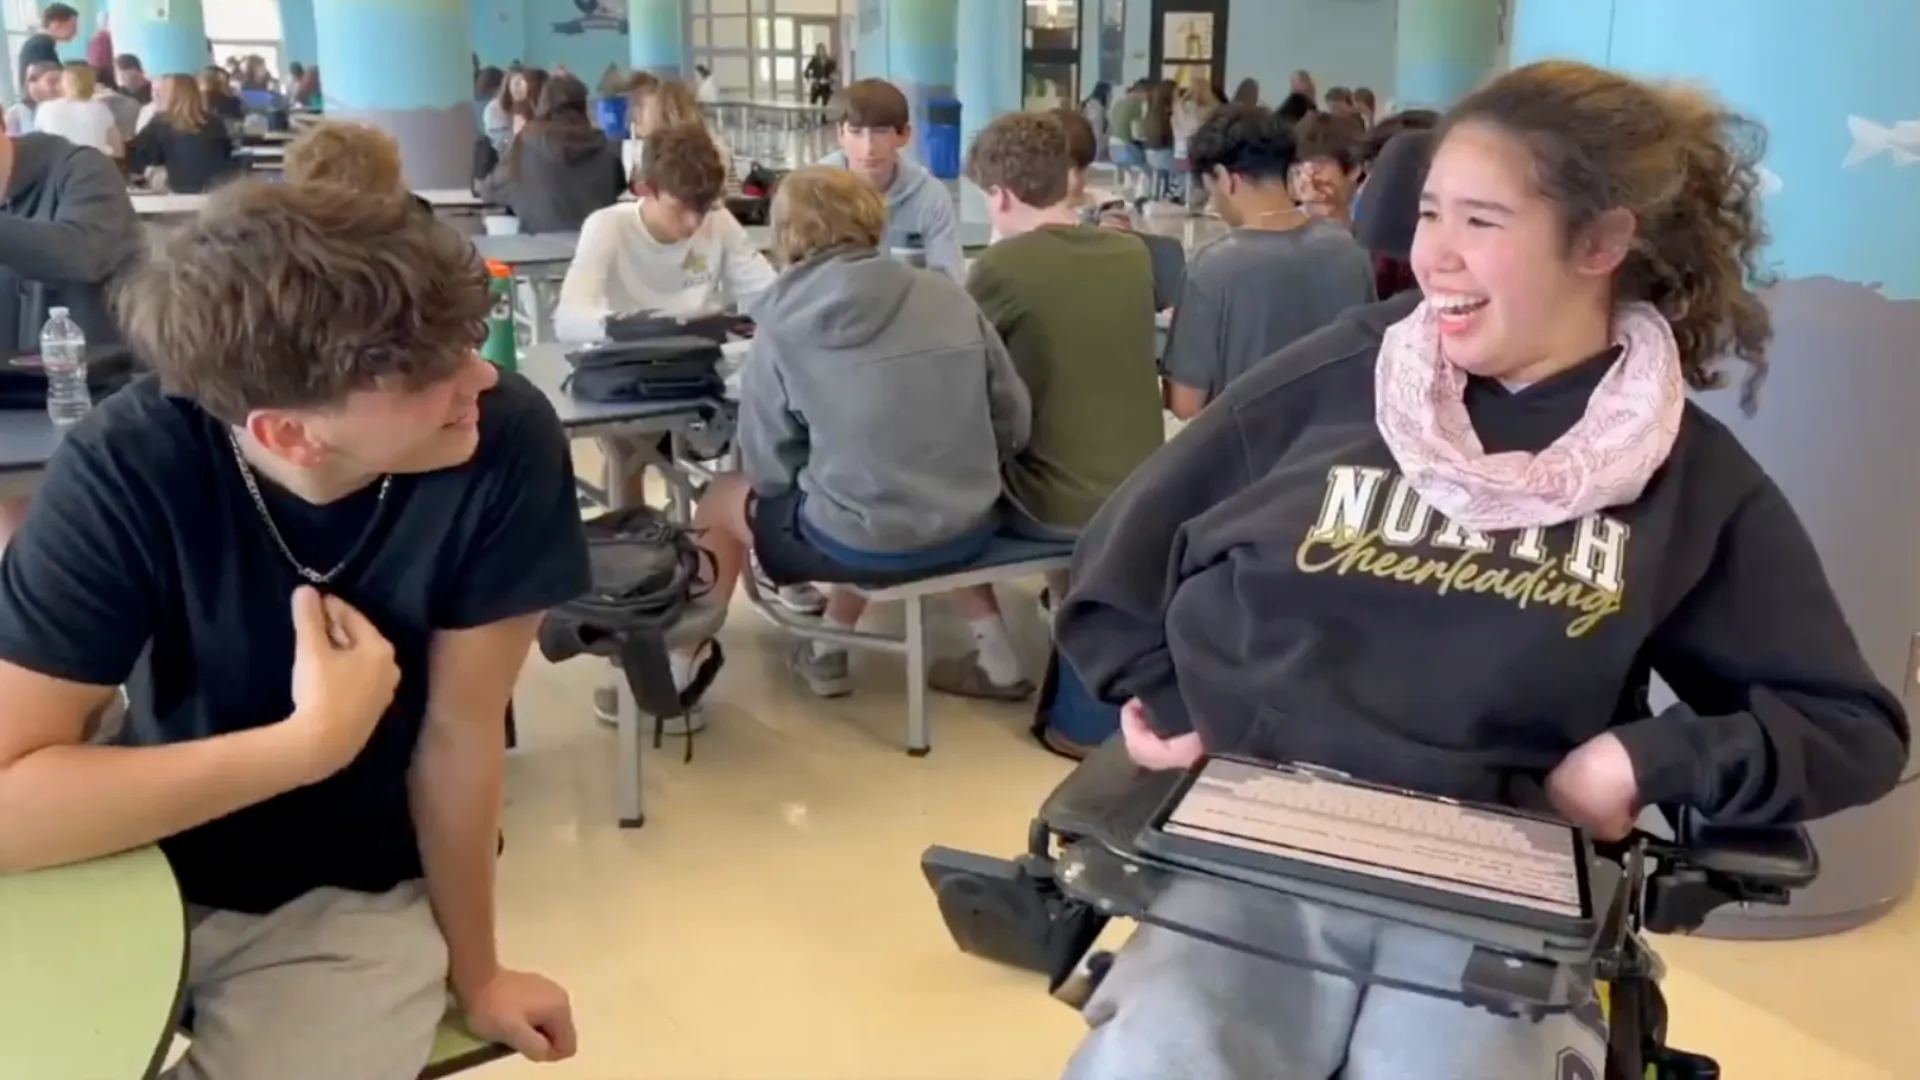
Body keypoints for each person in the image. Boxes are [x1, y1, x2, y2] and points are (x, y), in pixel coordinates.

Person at [1051, 59, 1909, 1080]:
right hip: (1264, 836)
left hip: (1496, 869)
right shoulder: (1335, 383)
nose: (1435, 258)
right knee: (1158, 1055)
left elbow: (1851, 729)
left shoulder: (1680, 474)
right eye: (1428, 215)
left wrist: (1642, 765)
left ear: (1600, 242)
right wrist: (1168, 697)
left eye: (1483, 222)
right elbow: (1116, 563)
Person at [0, 180, 591, 1080]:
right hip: (129, 851)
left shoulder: (502, 440)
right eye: (433, 373)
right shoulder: (127, 464)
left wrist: (480, 972)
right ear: (289, 431)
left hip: (350, 890)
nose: (479, 378)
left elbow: (463, 734)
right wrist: (309, 744)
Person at [670, 165, 1028, 699]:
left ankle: (682, 666)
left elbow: (767, 470)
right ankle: (989, 653)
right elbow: (1013, 420)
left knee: (726, 497)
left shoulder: (783, 324)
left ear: (787, 234)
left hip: (861, 539)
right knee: (916, 483)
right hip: (969, 523)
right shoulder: (948, 294)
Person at [931, 112, 1162, 702]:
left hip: (1050, 503)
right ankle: (1070, 619)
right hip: (1137, 493)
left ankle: (995, 655)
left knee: (928, 488)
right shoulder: (1131, 255)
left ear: (1000, 196)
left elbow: (953, 371)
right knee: (1068, 441)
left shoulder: (1003, 266)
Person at [1160, 104, 1374, 419]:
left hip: (1246, 454)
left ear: (1224, 178)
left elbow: (1186, 404)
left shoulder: (1213, 266)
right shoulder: (1348, 250)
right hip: (1329, 446)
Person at [555, 125, 774, 342]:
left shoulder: (719, 220)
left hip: (697, 363)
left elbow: (772, 298)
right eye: (679, 208)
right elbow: (569, 320)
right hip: (626, 364)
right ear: (646, 189)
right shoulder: (607, 226)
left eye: (705, 207)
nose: (694, 222)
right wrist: (657, 327)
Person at [818, 78, 964, 282]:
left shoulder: (931, 197)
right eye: (856, 132)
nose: (868, 147)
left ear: (904, 135)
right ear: (840, 135)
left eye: (880, 132)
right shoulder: (816, 191)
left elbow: (950, 282)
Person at [477, 73, 624, 235]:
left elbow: (490, 189)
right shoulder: (606, 144)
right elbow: (619, 185)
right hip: (596, 249)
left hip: (539, 253)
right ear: (583, 106)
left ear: (544, 104)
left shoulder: (526, 142)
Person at [129, 73, 242, 194]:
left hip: (181, 194)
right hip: (217, 193)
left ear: (172, 95)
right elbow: (227, 153)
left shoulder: (161, 123)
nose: (155, 96)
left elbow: (137, 159)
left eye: (160, 91)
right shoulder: (214, 122)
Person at [34, 63, 125, 160]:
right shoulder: (101, 109)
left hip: (59, 169)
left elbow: (39, 147)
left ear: (63, 83)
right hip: (96, 167)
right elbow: (118, 151)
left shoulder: (44, 109)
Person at [16, 4, 78, 92]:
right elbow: (49, 86)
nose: (76, 32)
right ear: (57, 24)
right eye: (73, 26)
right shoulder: (40, 46)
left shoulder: (40, 44)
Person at [5, 61, 63, 135]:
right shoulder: (16, 113)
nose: (33, 85)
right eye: (31, 79)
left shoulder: (69, 108)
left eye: (53, 81)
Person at [803, 43, 837, 107]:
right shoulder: (814, 61)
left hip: (826, 85)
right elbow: (806, 72)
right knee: (812, 103)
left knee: (825, 104)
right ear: (817, 51)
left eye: (823, 50)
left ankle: (823, 116)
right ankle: (812, 116)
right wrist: (812, 79)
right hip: (817, 84)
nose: (822, 52)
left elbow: (834, 73)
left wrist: (830, 80)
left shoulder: (829, 61)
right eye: (820, 50)